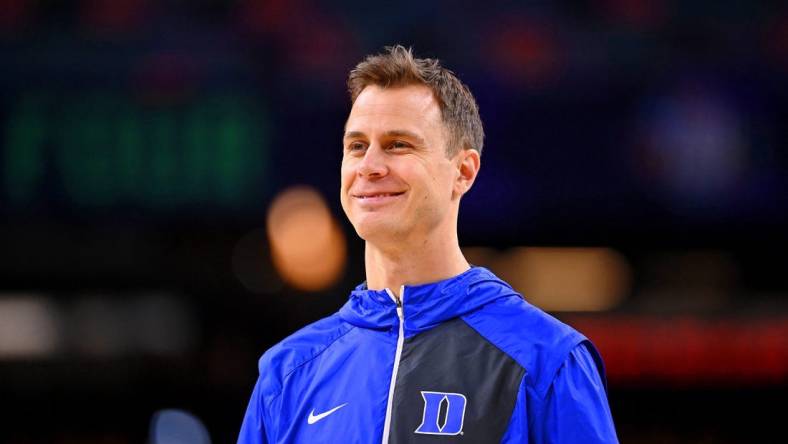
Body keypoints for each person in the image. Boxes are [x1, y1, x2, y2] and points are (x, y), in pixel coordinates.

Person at [238, 45, 618, 443]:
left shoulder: (547, 358)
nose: (369, 166)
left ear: (464, 171)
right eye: (356, 146)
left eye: (398, 144)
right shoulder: (287, 373)